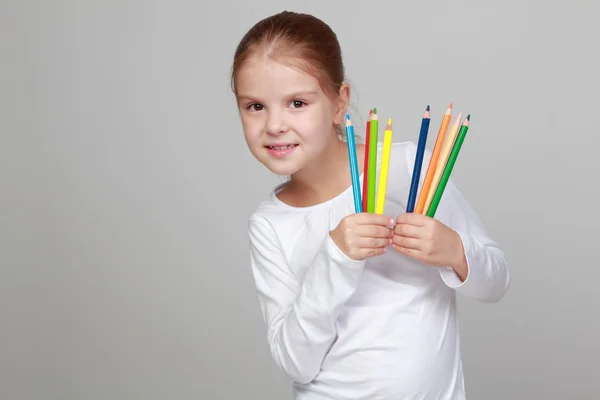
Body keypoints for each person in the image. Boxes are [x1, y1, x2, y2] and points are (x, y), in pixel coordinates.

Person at [231, 10, 510, 400]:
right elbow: (296, 362)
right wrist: (335, 256)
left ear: (339, 102)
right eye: (255, 106)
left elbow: (497, 281)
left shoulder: (409, 169)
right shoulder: (270, 224)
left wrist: (453, 251)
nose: (274, 124)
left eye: (297, 102)